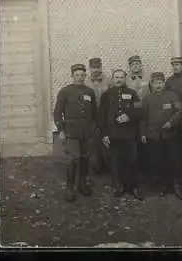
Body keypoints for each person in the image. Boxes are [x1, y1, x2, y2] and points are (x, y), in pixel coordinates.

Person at [53, 63, 96, 202]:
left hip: (86, 131)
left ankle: (82, 184)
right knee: (73, 159)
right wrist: (60, 130)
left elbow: (94, 112)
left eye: (82, 75)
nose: (80, 77)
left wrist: (93, 127)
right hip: (71, 131)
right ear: (72, 76)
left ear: (85, 76)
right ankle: (70, 187)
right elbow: (58, 112)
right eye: (77, 75)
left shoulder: (89, 91)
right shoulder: (65, 91)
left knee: (85, 157)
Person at [98, 69, 143, 200]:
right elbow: (101, 116)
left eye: (121, 77)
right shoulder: (106, 95)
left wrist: (129, 116)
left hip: (129, 134)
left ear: (125, 79)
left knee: (132, 161)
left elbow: (139, 110)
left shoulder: (132, 93)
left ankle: (133, 187)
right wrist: (104, 134)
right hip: (113, 134)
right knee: (116, 162)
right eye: (116, 77)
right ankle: (119, 186)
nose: (118, 80)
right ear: (112, 79)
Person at [140, 72, 182, 200]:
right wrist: (143, 133)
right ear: (152, 84)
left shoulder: (172, 95)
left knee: (173, 160)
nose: (158, 85)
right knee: (158, 161)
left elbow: (179, 111)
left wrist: (171, 123)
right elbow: (143, 118)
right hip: (154, 135)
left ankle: (176, 186)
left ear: (164, 83)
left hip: (169, 134)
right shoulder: (147, 98)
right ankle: (163, 185)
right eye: (155, 83)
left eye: (160, 82)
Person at [84, 57, 111, 175]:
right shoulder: (85, 82)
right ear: (90, 69)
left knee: (105, 140)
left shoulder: (108, 81)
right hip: (91, 115)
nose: (96, 70)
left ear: (101, 67)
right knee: (93, 142)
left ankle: (106, 165)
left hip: (104, 114)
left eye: (98, 67)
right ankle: (94, 167)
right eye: (93, 68)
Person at [126, 55, 151, 175]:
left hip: (145, 111)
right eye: (133, 64)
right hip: (131, 112)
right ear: (129, 67)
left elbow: (151, 93)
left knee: (145, 137)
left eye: (138, 64)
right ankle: (133, 167)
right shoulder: (126, 80)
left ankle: (145, 166)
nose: (136, 66)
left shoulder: (148, 78)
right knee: (133, 138)